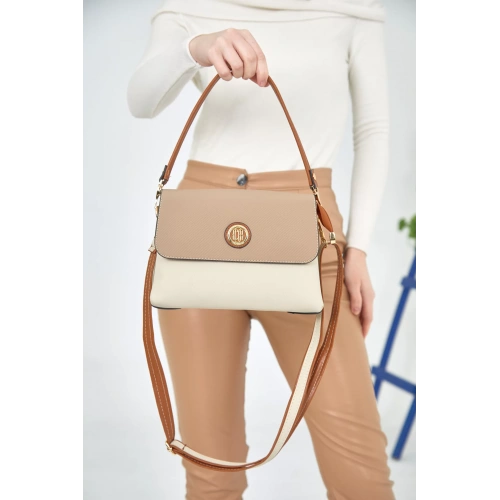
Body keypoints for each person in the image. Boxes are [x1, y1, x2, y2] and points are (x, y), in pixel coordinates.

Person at [128, 1, 395, 498]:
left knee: (362, 477)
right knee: (210, 475)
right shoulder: (189, 6)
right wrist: (196, 48)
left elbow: (373, 131)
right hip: (199, 237)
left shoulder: (355, 10)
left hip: (310, 237)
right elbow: (141, 101)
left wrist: (357, 250)